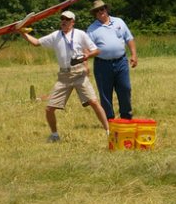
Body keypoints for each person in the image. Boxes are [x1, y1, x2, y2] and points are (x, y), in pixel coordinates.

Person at [18, 10, 110, 143]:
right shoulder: (56, 36)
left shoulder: (80, 34)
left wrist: (88, 56)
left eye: (67, 19)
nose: (64, 21)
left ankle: (108, 131)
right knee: (49, 109)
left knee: (94, 102)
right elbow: (36, 43)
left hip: (80, 74)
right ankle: (54, 135)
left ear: (73, 22)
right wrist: (22, 33)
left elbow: (96, 50)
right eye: (62, 19)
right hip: (64, 76)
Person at [86, 0, 138, 120]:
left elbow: (129, 38)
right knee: (105, 93)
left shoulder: (119, 22)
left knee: (125, 88)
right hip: (102, 65)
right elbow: (86, 49)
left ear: (106, 9)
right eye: (97, 11)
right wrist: (85, 64)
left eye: (102, 9)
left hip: (121, 62)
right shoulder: (92, 29)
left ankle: (125, 115)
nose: (100, 12)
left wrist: (134, 55)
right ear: (95, 13)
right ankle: (109, 118)